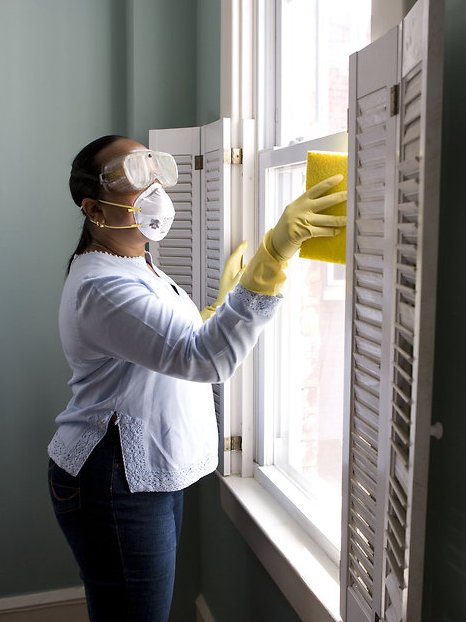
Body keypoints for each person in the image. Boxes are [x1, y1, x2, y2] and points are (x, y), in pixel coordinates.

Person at [47, 135, 345, 621]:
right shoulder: (102, 284)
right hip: (112, 477)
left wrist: (216, 308)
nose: (155, 184)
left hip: (140, 471)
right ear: (94, 209)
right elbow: (204, 360)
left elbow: (164, 343)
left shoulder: (136, 265)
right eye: (132, 174)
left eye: (155, 166)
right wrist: (273, 257)